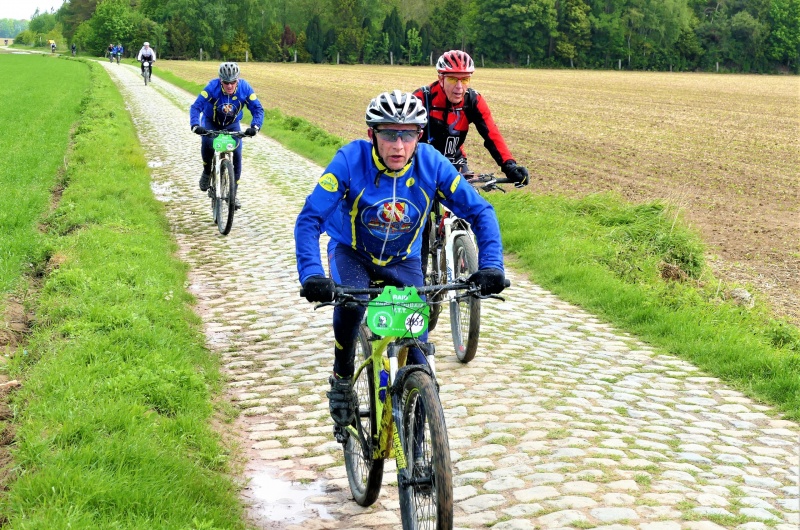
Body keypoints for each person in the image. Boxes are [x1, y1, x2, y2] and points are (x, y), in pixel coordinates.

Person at [294, 90, 507, 428]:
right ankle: (343, 378)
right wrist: (311, 275)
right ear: (371, 135)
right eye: (389, 134)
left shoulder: (431, 163)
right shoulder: (350, 160)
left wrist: (492, 264)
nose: (398, 145)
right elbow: (309, 219)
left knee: (419, 352)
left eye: (407, 135)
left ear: (419, 136)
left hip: (402, 258)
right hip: (353, 253)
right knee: (350, 306)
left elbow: (480, 211)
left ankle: (421, 439)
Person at [412, 50, 529, 185]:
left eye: (465, 79)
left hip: (454, 161)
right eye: (452, 79)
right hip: (421, 162)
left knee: (469, 203)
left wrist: (510, 166)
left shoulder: (473, 101)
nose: (459, 87)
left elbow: (492, 135)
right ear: (441, 79)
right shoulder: (422, 98)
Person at [189, 62, 263, 210]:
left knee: (237, 153)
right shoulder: (211, 87)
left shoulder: (245, 89)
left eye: (233, 82)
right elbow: (196, 106)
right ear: (220, 81)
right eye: (226, 83)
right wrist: (195, 125)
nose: (229, 86)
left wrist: (255, 127)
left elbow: (258, 109)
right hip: (211, 122)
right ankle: (206, 171)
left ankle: (233, 194)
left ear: (238, 80)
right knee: (207, 143)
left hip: (232, 123)